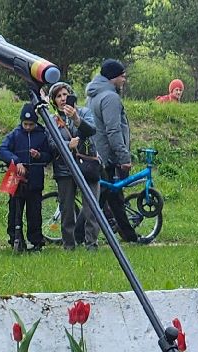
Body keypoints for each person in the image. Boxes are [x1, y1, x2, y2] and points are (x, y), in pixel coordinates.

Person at [86, 58, 139, 242]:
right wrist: (124, 156)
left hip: (98, 153)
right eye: (122, 76)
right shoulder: (110, 98)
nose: (124, 79)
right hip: (106, 157)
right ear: (112, 78)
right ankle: (78, 235)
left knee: (115, 198)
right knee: (99, 200)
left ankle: (129, 235)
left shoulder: (94, 94)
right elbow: (113, 130)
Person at [46, 82, 98, 251]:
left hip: (87, 166)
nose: (63, 99)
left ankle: (92, 244)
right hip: (65, 168)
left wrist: (76, 118)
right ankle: (69, 245)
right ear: (54, 100)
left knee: (91, 207)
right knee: (67, 209)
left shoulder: (84, 112)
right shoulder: (52, 119)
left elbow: (91, 130)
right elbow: (52, 143)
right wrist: (68, 144)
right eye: (58, 96)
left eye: (65, 95)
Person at [0, 101, 53, 253]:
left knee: (34, 213)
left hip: (35, 181)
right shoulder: (14, 134)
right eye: (25, 124)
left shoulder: (42, 135)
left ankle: (36, 242)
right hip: (16, 181)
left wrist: (39, 155)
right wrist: (16, 161)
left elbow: (49, 156)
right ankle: (15, 239)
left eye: (30, 124)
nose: (27, 127)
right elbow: (2, 150)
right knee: (15, 211)